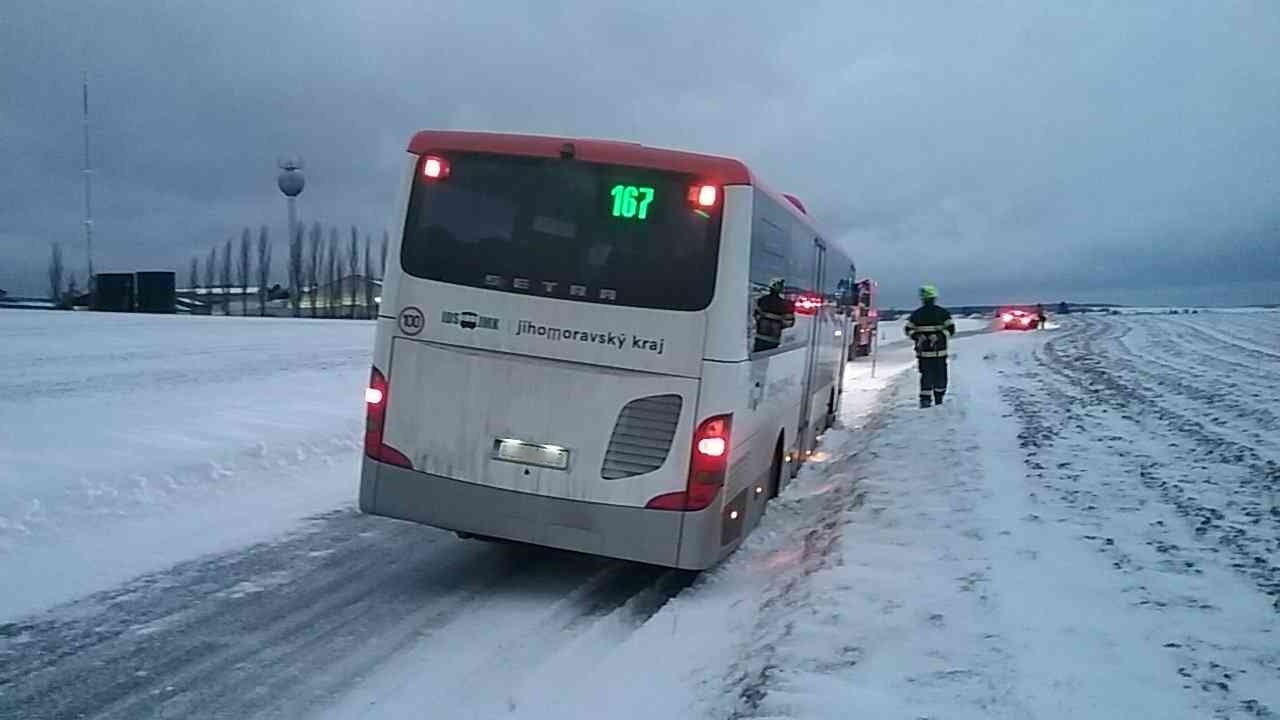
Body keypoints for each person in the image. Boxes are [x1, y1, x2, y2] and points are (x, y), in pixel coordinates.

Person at [904, 285, 956, 408]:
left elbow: (908, 329)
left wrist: (917, 336)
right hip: (939, 353)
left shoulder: (917, 314)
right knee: (940, 377)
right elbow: (951, 329)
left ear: (922, 299)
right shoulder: (942, 313)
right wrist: (939, 336)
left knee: (926, 376)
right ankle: (939, 399)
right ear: (934, 298)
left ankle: (925, 400)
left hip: (923, 354)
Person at [754, 278, 795, 353]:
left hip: (761, 337)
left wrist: (765, 318)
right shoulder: (785, 304)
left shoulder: (762, 300)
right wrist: (778, 323)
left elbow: (756, 316)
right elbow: (789, 323)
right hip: (773, 338)